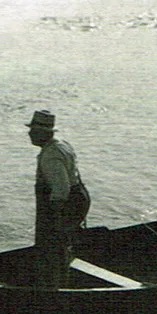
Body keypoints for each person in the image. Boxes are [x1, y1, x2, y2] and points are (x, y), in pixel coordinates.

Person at [27, 110, 90, 289]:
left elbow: (61, 189)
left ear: (43, 133)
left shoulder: (51, 155)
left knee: (52, 245)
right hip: (78, 197)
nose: (29, 133)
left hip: (65, 203)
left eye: (33, 130)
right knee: (60, 242)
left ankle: (54, 286)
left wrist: (54, 218)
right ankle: (59, 280)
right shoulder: (61, 145)